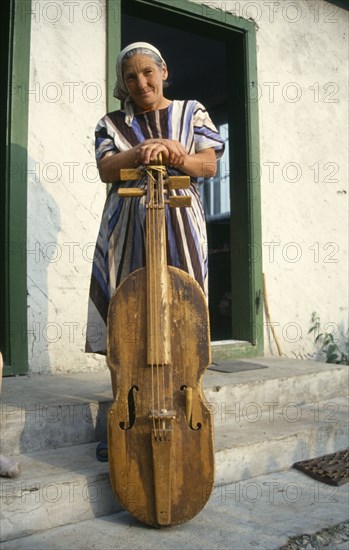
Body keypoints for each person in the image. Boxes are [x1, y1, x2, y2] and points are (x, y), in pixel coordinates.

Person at [85, 42, 225, 356]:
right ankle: (128, 390)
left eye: (148, 72)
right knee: (128, 299)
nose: (141, 82)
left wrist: (174, 151)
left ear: (163, 71)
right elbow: (107, 170)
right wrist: (140, 150)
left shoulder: (191, 111)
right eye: (131, 77)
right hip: (127, 227)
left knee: (183, 295)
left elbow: (208, 165)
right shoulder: (111, 123)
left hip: (180, 217)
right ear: (124, 83)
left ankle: (186, 391)